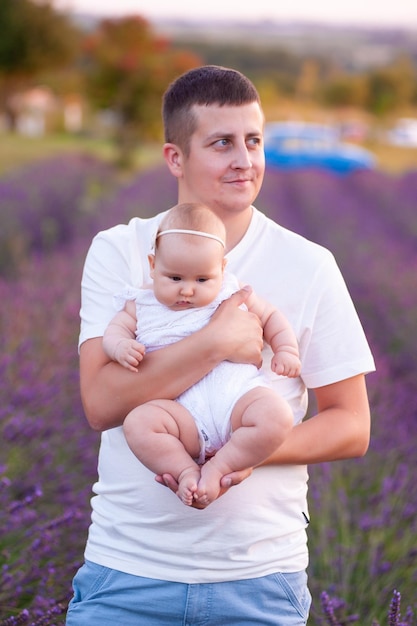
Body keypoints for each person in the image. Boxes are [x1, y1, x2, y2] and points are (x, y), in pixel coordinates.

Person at [66, 65, 375, 625]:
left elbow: (351, 425)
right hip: (129, 572)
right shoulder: (123, 251)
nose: (245, 160)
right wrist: (216, 342)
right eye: (222, 143)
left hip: (258, 580)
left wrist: (228, 455)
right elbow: (101, 403)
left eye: (254, 141)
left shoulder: (309, 265)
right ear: (175, 158)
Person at [102, 202, 300, 507]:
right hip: (181, 415)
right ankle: (186, 472)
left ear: (221, 268)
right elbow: (115, 331)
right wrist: (120, 347)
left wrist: (286, 348)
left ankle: (218, 467)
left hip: (236, 398)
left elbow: (271, 316)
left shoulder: (231, 291)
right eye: (175, 278)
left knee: (276, 416)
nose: (187, 290)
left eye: (201, 280)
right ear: (153, 266)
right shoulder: (140, 303)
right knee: (139, 424)